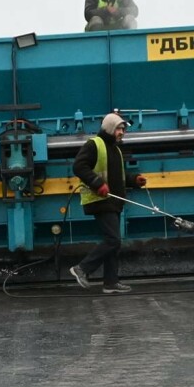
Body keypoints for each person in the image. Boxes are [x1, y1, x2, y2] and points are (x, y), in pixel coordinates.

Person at [69, 113, 146, 293]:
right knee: (113, 240)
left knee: (114, 242)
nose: (122, 132)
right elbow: (78, 166)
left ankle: (110, 283)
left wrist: (134, 180)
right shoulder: (94, 144)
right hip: (99, 200)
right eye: (119, 128)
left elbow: (117, 177)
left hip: (112, 201)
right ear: (110, 128)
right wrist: (97, 184)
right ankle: (81, 269)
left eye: (123, 129)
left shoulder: (115, 149)